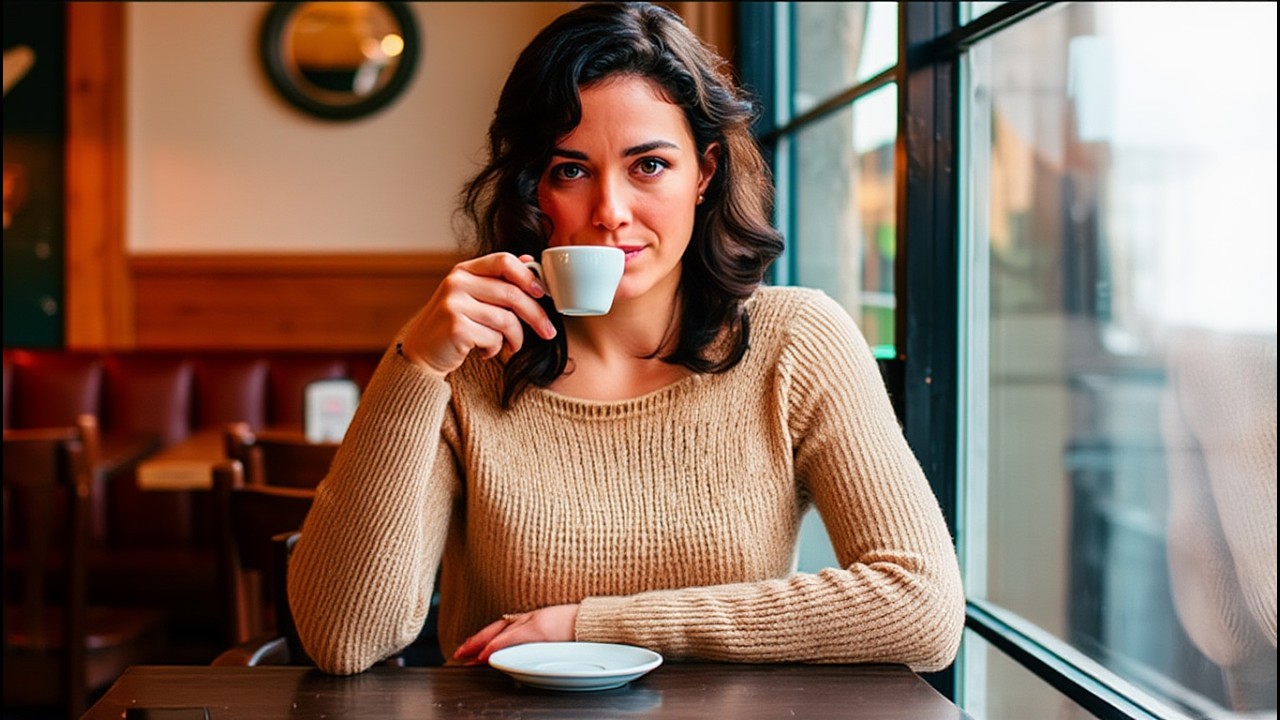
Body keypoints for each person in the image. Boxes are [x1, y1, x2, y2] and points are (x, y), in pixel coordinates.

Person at [288, 1, 964, 676]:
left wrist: (592, 625)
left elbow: (923, 606)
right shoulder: (472, 361)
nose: (610, 213)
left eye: (648, 166)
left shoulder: (796, 342)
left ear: (703, 174)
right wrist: (415, 364)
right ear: (534, 191)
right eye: (571, 170)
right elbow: (342, 639)